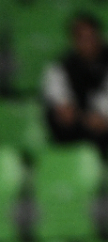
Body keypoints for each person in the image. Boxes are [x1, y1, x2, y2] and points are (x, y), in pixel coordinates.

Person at [43, 12, 108, 153]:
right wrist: (84, 118)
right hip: (78, 128)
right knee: (54, 117)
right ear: (73, 40)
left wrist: (102, 116)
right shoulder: (61, 66)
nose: (87, 43)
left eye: (91, 37)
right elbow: (63, 106)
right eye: (81, 38)